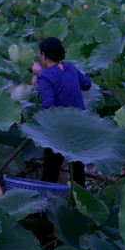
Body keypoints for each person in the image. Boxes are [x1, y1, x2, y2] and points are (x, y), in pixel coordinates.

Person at [36, 37, 92, 187]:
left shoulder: (45, 77)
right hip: (80, 125)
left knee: (51, 170)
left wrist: (36, 125)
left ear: (43, 56)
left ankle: (46, 205)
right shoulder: (71, 68)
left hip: (59, 130)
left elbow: (48, 106)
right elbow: (87, 84)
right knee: (78, 168)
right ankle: (79, 203)